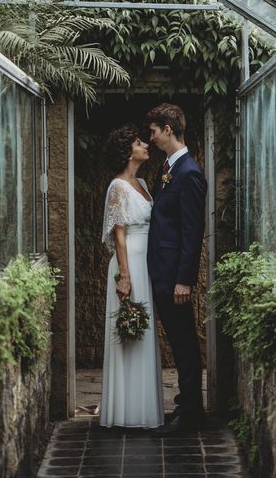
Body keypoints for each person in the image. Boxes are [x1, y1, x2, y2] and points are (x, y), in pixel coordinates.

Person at [146, 103, 207, 435]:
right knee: (179, 340)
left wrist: (184, 280)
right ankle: (187, 406)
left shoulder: (190, 173)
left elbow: (192, 232)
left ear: (168, 129)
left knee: (184, 343)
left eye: (154, 131)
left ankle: (190, 412)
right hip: (162, 271)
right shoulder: (167, 169)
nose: (151, 137)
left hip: (174, 277)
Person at [99, 124, 164, 429]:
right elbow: (119, 235)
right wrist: (124, 276)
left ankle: (144, 409)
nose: (145, 145)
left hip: (146, 262)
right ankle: (125, 411)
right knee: (128, 332)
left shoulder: (142, 182)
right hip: (129, 264)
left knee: (144, 331)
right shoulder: (117, 186)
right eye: (140, 143)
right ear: (128, 151)